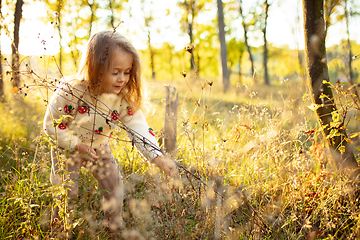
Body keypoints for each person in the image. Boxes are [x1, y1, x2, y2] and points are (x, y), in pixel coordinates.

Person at [43, 29, 177, 237]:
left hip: (98, 147)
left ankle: (113, 226)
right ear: (96, 67)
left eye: (127, 72)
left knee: (114, 185)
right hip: (66, 148)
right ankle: (60, 229)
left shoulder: (122, 98)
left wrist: (157, 157)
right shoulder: (71, 90)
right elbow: (51, 124)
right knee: (66, 191)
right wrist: (76, 145)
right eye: (115, 72)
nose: (122, 79)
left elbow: (139, 128)